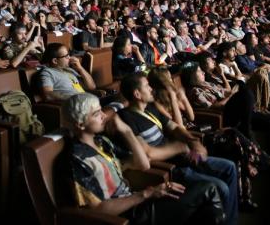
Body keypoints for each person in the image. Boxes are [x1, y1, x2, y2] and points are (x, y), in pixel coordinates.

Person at [60, 93, 225, 225]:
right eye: (97, 114)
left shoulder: (102, 142)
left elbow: (143, 164)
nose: (104, 115)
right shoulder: (77, 158)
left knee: (200, 204)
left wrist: (126, 131)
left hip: (137, 201)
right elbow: (97, 210)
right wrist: (147, 193)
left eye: (101, 110)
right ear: (80, 124)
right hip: (126, 215)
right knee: (208, 190)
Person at [118, 73, 239, 225]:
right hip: (170, 169)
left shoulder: (150, 108)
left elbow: (175, 128)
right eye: (147, 86)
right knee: (221, 188)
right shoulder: (126, 118)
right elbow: (148, 153)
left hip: (184, 157)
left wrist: (192, 141)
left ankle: (231, 220)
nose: (151, 89)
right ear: (137, 94)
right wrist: (178, 147)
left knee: (230, 167)